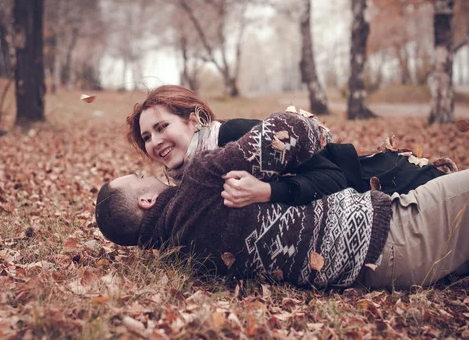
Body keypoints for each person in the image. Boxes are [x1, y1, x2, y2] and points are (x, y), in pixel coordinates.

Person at [97, 113, 469, 289]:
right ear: (146, 200)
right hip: (397, 234)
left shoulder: (184, 255)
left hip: (376, 276)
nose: (148, 169)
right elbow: (298, 129)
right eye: (140, 177)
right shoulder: (199, 183)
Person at [126, 85, 454, 207]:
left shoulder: (235, 138)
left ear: (194, 120)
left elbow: (333, 179)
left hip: (384, 181)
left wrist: (267, 192)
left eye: (161, 127)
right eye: (146, 137)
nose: (155, 142)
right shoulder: (194, 173)